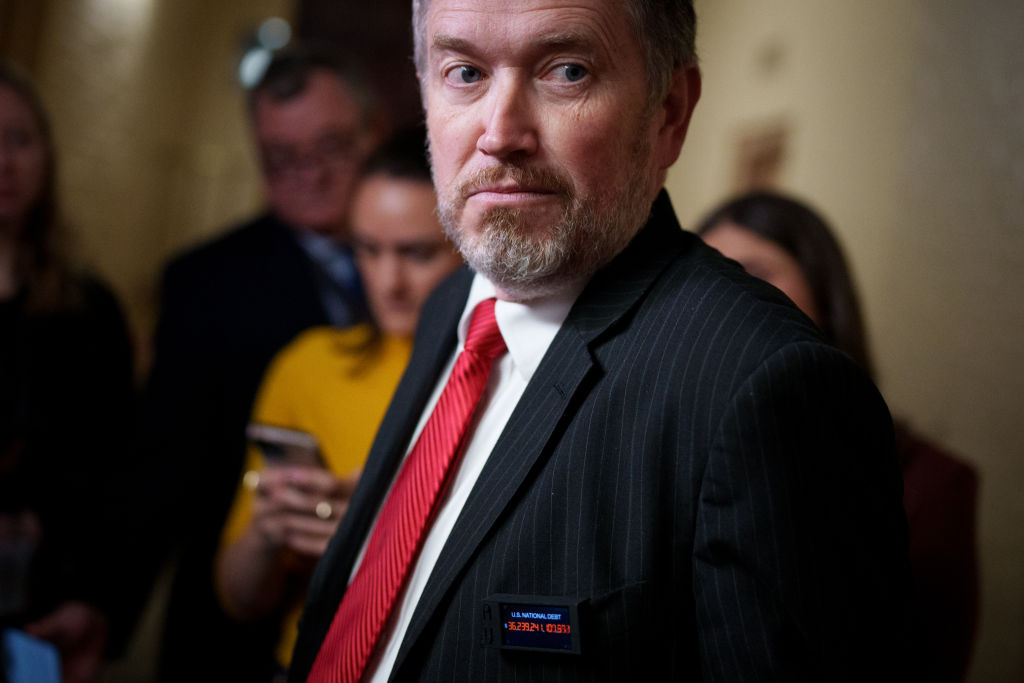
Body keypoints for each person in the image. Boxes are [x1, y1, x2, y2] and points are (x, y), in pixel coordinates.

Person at [289, 1, 911, 681]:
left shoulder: (766, 386)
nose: (500, 134)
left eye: (567, 71)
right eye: (464, 72)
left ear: (669, 111)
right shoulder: (451, 306)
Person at [133, 44, 383, 681]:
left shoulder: (445, 253)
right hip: (240, 624)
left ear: (373, 133)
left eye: (331, 147)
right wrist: (103, 607)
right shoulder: (203, 283)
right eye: (283, 158)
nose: (311, 174)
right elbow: (164, 469)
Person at [697, 190, 979, 683]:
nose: (724, 300)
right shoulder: (668, 458)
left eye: (752, 273)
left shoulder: (931, 485)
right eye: (707, 279)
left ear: (824, 298)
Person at [213, 127, 462, 679]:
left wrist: (381, 537)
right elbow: (238, 597)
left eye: (417, 253)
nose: (388, 282)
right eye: (368, 250)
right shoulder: (309, 366)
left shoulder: (494, 374)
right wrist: (269, 530)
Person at [0, 61, 134, 683]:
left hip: (43, 608)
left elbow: (114, 470)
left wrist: (92, 595)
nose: (4, 161)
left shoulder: (88, 308)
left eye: (19, 139)